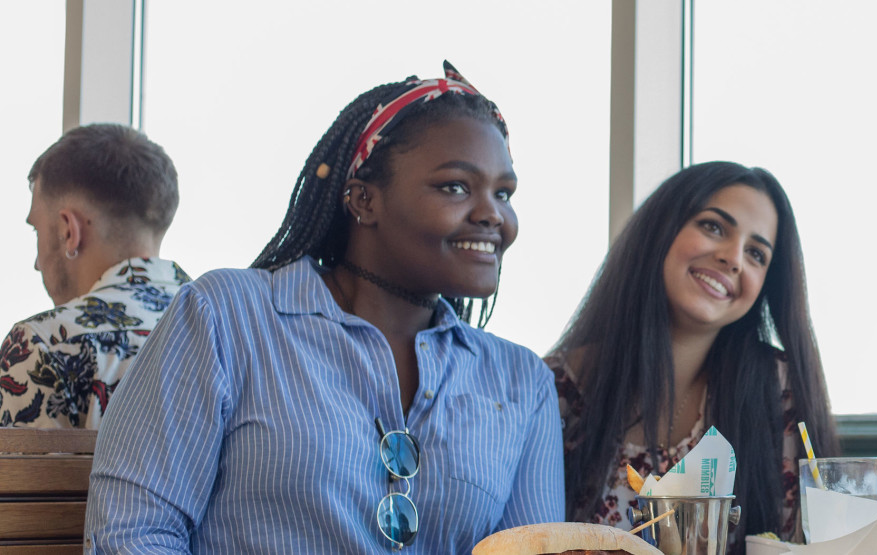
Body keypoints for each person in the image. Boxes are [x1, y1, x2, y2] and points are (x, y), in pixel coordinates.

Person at [86, 63, 562, 553]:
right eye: (455, 186)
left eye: (503, 193)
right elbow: (132, 533)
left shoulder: (523, 384)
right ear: (363, 201)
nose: (493, 215)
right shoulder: (224, 317)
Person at [551, 161, 837, 546]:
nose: (733, 258)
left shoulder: (778, 389)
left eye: (756, 254)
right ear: (660, 229)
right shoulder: (554, 389)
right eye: (714, 227)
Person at [2, 124, 188, 429]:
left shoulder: (43, 345)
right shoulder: (234, 331)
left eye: (37, 230)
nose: (37, 264)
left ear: (68, 231)